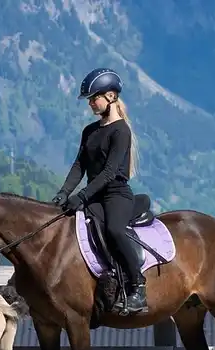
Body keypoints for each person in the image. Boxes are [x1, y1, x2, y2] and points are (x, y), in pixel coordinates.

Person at [52, 67, 148, 315]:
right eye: (90, 99)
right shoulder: (90, 131)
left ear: (112, 97)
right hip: (94, 195)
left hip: (116, 194)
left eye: (95, 97)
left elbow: (108, 173)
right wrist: (63, 193)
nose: (91, 103)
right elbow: (79, 165)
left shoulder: (121, 131)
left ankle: (138, 286)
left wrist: (81, 196)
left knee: (114, 230)